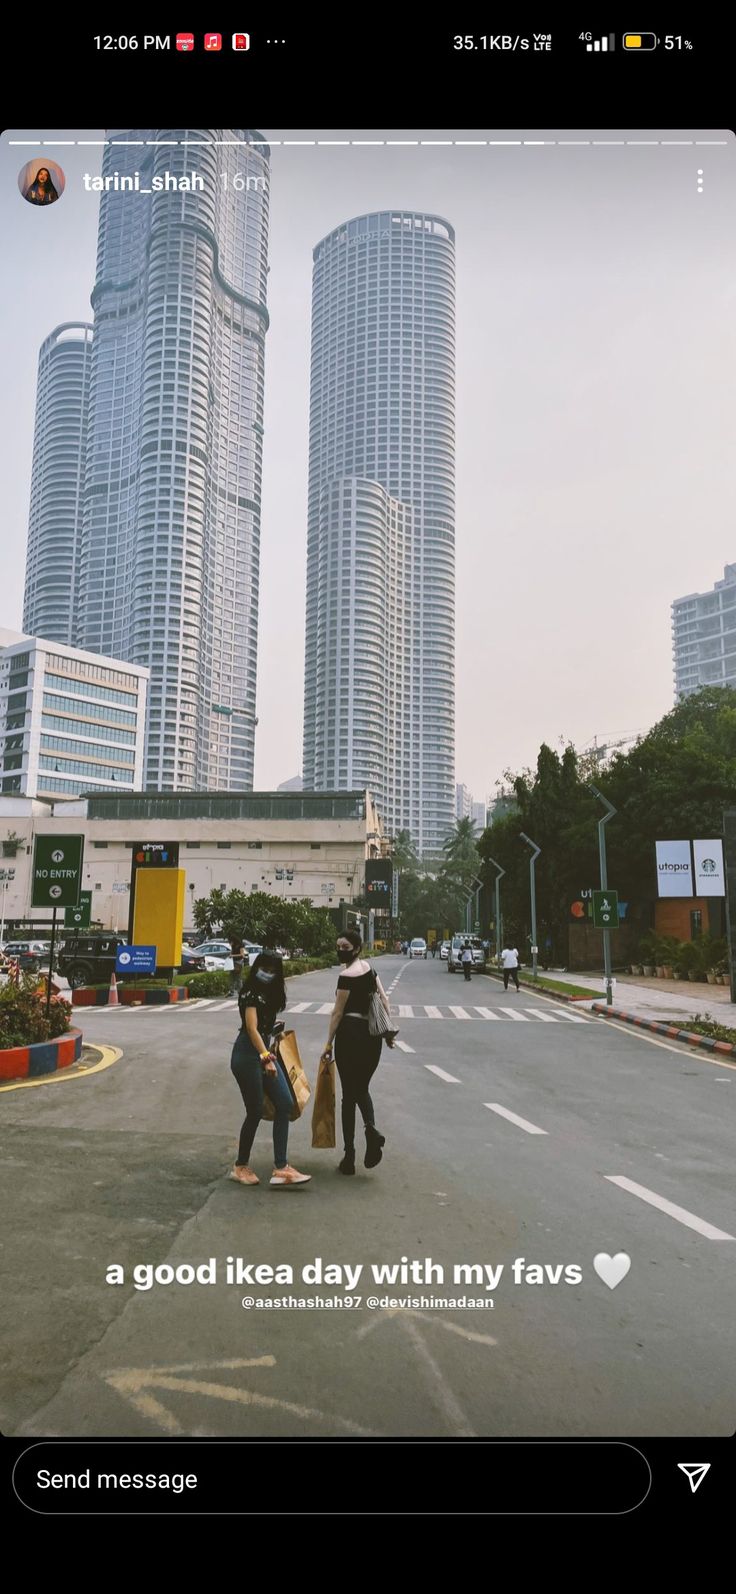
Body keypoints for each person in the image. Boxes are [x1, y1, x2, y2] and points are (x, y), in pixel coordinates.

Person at [229, 950, 311, 1188]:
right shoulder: (250, 992)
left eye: (273, 971)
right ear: (256, 968)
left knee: (285, 1103)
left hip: (264, 1050)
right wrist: (266, 1057)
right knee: (254, 1111)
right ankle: (240, 1166)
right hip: (247, 1054)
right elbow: (251, 1028)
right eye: (265, 968)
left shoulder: (270, 993)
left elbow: (263, 1027)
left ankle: (281, 1168)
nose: (268, 974)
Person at [321, 928, 391, 1176]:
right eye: (338, 946)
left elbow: (337, 1013)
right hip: (372, 1038)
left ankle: (349, 1157)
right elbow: (384, 1001)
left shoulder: (346, 976)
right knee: (361, 1088)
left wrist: (328, 1043)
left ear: (356, 948)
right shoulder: (371, 971)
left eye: (345, 947)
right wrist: (387, 1032)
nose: (340, 951)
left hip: (350, 1035)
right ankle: (371, 1130)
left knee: (348, 1096)